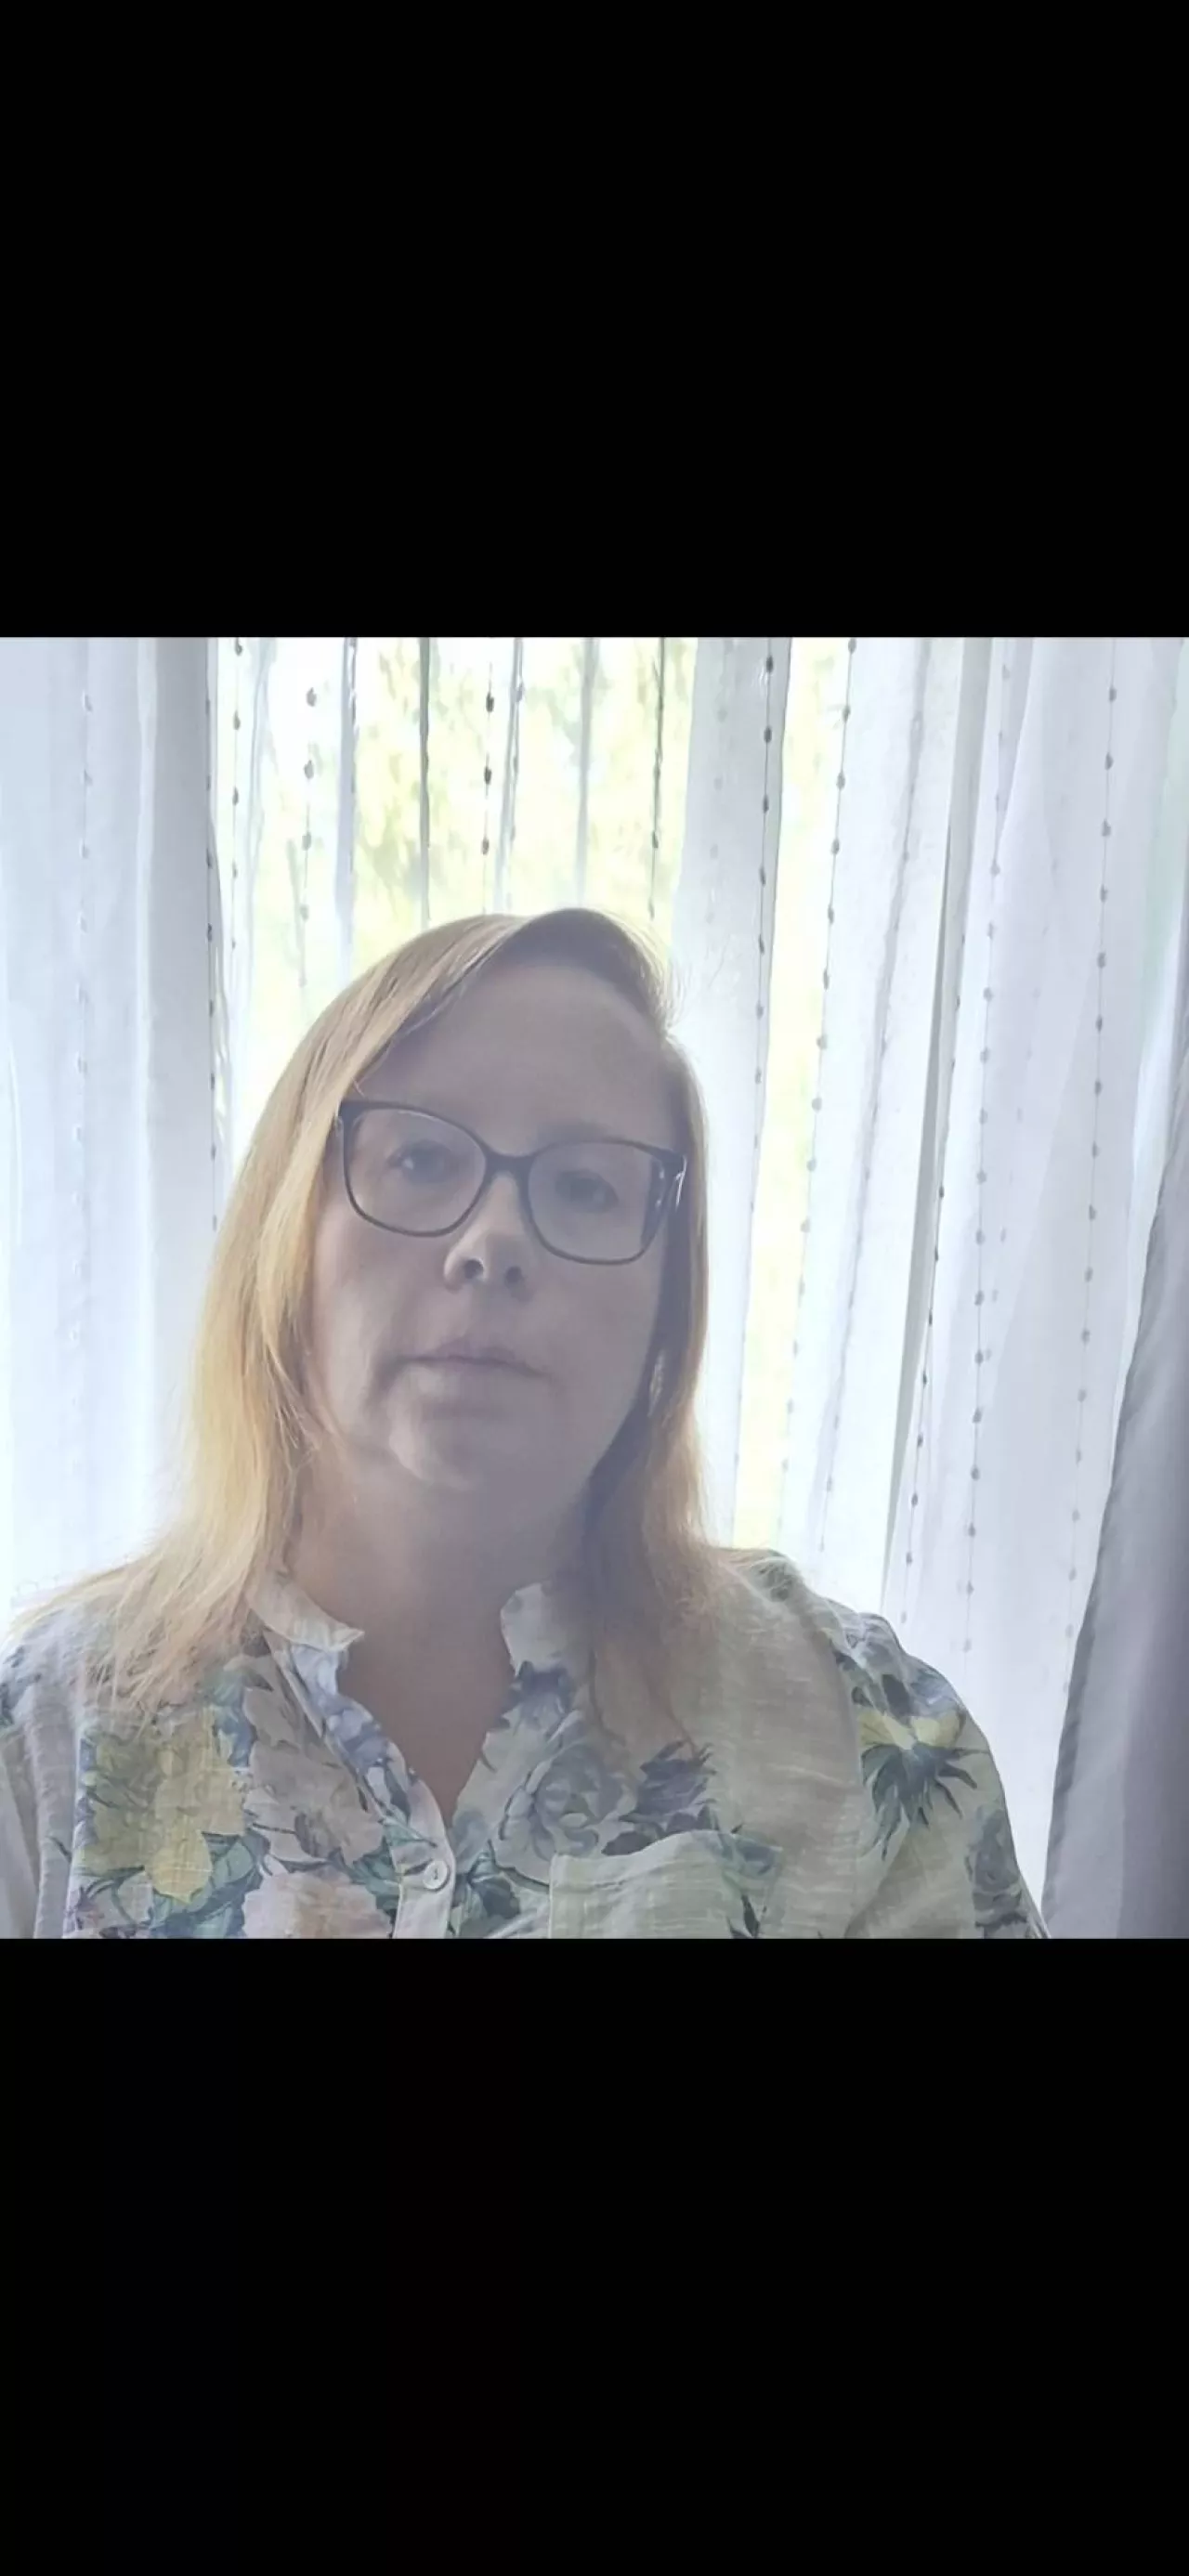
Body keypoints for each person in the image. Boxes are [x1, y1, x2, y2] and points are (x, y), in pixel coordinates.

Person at [0, 906, 1043, 1939]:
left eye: (585, 1186)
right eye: (419, 1160)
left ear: (668, 1303)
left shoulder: (867, 1739)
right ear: (287, 1235)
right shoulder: (45, 1738)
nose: (492, 1243)